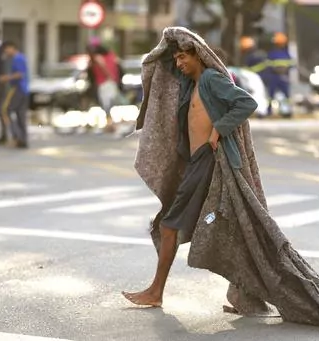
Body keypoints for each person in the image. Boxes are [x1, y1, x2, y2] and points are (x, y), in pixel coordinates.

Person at [122, 41, 258, 307]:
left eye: (183, 56)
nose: (179, 63)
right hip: (195, 162)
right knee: (229, 228)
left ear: (199, 55)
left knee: (168, 225)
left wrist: (218, 129)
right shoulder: (191, 85)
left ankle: (156, 292)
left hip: (208, 161)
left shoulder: (210, 79)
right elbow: (166, 80)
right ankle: (248, 296)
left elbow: (246, 102)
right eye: (176, 59)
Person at [0, 41, 29, 149]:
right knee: (20, 115)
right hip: (23, 89)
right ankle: (22, 140)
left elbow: (20, 74)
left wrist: (6, 78)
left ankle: (17, 136)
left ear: (12, 48)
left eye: (6, 49)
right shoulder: (20, 58)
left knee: (5, 110)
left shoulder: (17, 58)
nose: (6, 52)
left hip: (17, 89)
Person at [88, 42, 123, 133]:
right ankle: (111, 124)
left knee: (106, 104)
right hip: (111, 82)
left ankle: (110, 124)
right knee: (111, 104)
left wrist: (109, 76)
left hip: (104, 83)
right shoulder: (111, 55)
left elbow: (103, 67)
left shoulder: (98, 58)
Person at [266, 32, 294, 116]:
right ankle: (269, 111)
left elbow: (291, 64)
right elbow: (268, 64)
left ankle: (287, 111)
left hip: (283, 76)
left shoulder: (286, 53)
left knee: (286, 95)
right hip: (274, 76)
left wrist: (284, 70)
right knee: (271, 95)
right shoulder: (273, 53)